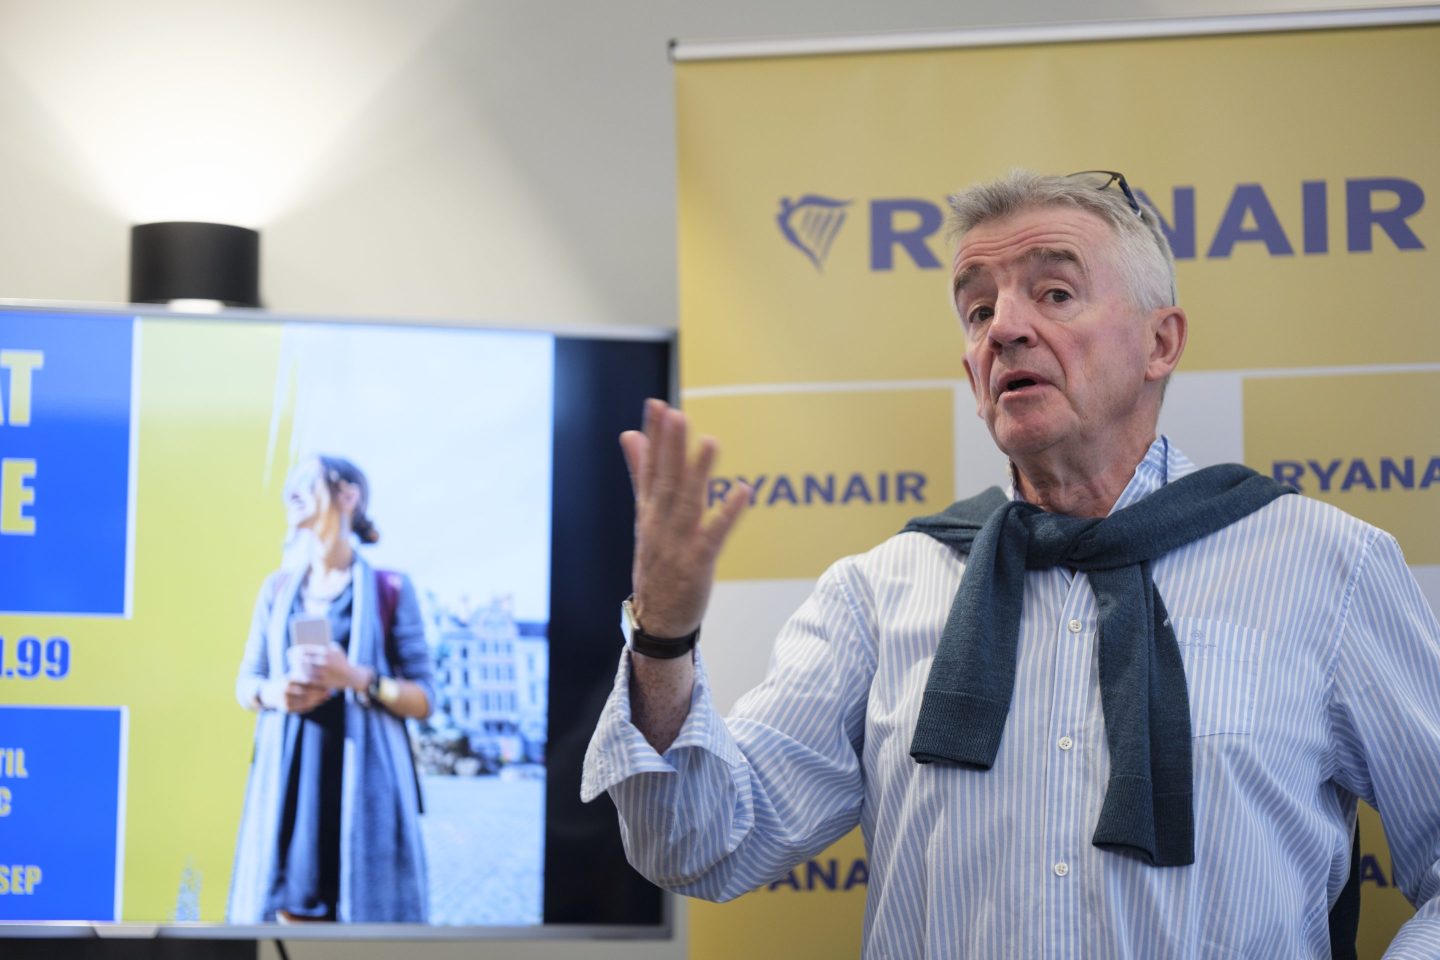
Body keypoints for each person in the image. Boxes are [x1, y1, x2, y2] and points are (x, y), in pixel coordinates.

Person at [581, 170, 1440, 957]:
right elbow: (702, 842)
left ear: (1161, 344)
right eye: (979, 310)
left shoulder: (1331, 570)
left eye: (1054, 292)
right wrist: (662, 639)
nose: (1007, 329)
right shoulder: (878, 596)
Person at [229, 455, 435, 923]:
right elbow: (247, 684)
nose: (292, 491)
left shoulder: (391, 588)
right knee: (288, 922)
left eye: (307, 480)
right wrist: (276, 693)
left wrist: (359, 678)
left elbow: (425, 698)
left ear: (348, 495)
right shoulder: (278, 589)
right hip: (291, 793)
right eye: (290, 484)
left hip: (365, 797)